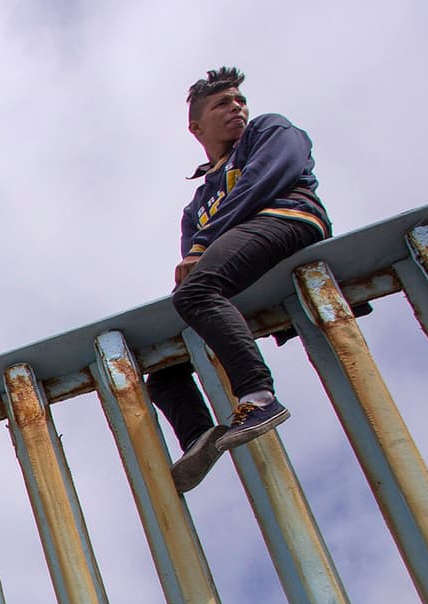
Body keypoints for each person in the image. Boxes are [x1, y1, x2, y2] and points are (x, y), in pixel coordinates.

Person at [148, 66, 331, 492]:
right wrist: (201, 250)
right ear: (196, 126)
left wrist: (204, 245)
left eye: (239, 101)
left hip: (287, 220)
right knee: (162, 362)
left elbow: (262, 183)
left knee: (196, 292)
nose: (237, 108)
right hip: (239, 259)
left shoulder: (269, 131)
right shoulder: (197, 204)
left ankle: (259, 398)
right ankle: (197, 437)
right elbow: (195, 265)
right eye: (222, 104)